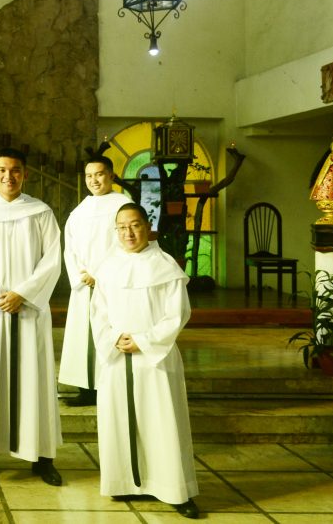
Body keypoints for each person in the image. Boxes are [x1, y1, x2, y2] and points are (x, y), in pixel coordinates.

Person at [91, 203, 199, 519]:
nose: (128, 233)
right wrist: (114, 338)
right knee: (119, 419)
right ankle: (125, 482)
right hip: (116, 354)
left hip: (155, 358)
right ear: (116, 230)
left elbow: (177, 313)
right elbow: (98, 312)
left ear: (147, 226)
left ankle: (174, 490)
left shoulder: (164, 265)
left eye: (135, 225)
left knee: (162, 422)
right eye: (122, 227)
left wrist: (143, 340)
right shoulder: (108, 266)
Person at [0, 147, 63, 484]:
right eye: (2, 170)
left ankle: (42, 457)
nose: (9, 176)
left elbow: (52, 259)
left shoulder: (40, 212)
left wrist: (24, 294)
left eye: (15, 170)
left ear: (25, 174)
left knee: (36, 380)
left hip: (30, 310)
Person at [59, 155, 131, 406]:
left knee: (107, 333)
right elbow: (70, 247)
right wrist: (81, 275)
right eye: (89, 176)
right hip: (83, 285)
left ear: (111, 175)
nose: (94, 180)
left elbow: (125, 243)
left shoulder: (123, 205)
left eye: (99, 174)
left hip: (111, 284)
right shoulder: (81, 209)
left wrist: (99, 275)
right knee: (83, 339)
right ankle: (86, 390)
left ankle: (109, 389)